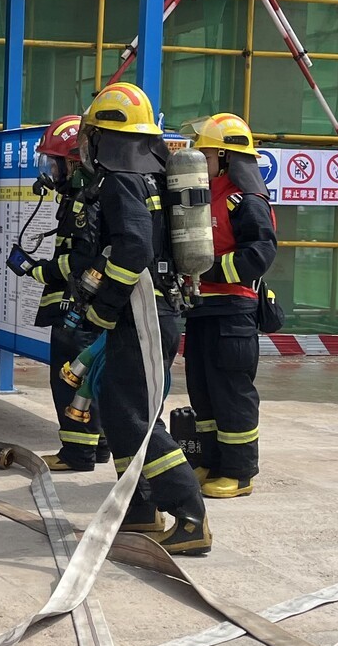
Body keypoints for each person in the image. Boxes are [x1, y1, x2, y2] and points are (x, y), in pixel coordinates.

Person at [64, 82, 210, 556]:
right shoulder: (150, 175)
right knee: (119, 410)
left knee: (133, 417)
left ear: (103, 136)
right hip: (150, 310)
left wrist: (103, 308)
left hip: (143, 312)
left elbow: (132, 249)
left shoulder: (121, 181)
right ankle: (141, 509)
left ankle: (190, 516)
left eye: (90, 135)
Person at [181, 114, 278, 500]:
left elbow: (260, 254)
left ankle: (239, 473)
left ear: (225, 157)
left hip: (233, 312)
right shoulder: (206, 195)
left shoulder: (247, 200)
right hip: (201, 309)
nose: (198, 161)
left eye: (204, 154)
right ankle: (210, 461)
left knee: (231, 394)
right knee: (203, 392)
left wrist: (208, 269)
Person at [13, 115, 106, 473]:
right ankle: (97, 447)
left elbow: (81, 259)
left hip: (77, 309)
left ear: (72, 162)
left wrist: (40, 270)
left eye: (54, 162)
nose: (49, 171)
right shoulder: (84, 197)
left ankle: (77, 453)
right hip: (83, 307)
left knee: (70, 379)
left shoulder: (84, 202)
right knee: (92, 376)